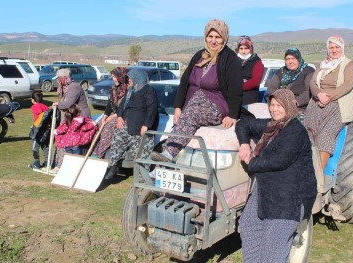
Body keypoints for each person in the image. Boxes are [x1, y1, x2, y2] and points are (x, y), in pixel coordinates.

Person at [235, 89, 317, 263]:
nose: (274, 109)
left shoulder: (296, 131)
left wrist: (251, 162)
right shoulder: (272, 126)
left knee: (271, 249)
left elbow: (279, 160)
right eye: (272, 105)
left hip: (290, 197)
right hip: (267, 189)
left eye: (279, 105)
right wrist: (244, 144)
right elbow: (243, 124)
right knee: (248, 226)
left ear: (288, 106)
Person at [150, 19, 243, 162]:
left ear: (224, 38)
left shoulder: (231, 59)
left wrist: (232, 115)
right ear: (205, 37)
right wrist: (178, 107)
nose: (213, 41)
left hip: (216, 105)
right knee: (180, 122)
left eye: (218, 37)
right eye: (210, 36)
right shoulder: (200, 55)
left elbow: (236, 89)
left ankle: (168, 154)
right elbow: (184, 81)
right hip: (191, 104)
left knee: (191, 114)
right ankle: (160, 167)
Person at [303, 35, 353, 170]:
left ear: (342, 48)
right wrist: (318, 94)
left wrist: (328, 97)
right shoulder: (322, 65)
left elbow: (347, 86)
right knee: (308, 133)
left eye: (337, 47)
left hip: (338, 105)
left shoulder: (349, 65)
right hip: (317, 103)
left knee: (325, 135)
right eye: (331, 47)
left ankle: (318, 176)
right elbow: (313, 82)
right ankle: (304, 169)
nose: (334, 50)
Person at [104, 69, 158, 180]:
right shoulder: (130, 91)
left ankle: (142, 178)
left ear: (138, 78)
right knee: (116, 143)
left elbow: (152, 109)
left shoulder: (148, 90)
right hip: (127, 126)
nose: (128, 80)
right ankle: (113, 167)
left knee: (141, 154)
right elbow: (121, 106)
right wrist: (119, 117)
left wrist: (146, 125)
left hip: (140, 129)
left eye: (130, 78)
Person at [51, 68, 92, 172]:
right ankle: (59, 164)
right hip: (68, 118)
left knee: (73, 142)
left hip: (79, 119)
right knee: (62, 138)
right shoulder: (63, 87)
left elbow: (68, 103)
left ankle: (69, 166)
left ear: (64, 78)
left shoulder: (74, 87)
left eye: (59, 79)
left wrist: (58, 103)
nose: (57, 81)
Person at [92, 67, 129, 158]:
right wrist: (105, 115)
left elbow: (125, 107)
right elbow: (110, 104)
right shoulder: (114, 88)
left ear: (121, 76)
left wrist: (113, 117)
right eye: (112, 77)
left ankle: (99, 153)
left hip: (123, 116)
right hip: (113, 114)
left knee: (108, 128)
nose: (113, 79)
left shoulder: (128, 90)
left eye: (115, 77)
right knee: (100, 125)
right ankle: (93, 151)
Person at [266, 48, 314, 113]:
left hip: (300, 108)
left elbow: (308, 92)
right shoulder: (281, 72)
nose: (290, 62)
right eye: (287, 59)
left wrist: (294, 102)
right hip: (280, 106)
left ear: (299, 59)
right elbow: (271, 88)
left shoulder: (308, 71)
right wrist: (277, 102)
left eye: (293, 58)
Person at [54, 105, 98, 171]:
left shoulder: (67, 121)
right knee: (77, 159)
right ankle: (76, 171)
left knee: (69, 158)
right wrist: (92, 124)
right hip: (76, 144)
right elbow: (84, 128)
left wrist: (56, 131)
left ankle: (69, 170)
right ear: (78, 113)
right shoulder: (79, 121)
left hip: (67, 144)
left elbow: (62, 129)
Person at [235, 35, 265, 104]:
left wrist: (238, 86)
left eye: (246, 48)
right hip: (234, 94)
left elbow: (255, 81)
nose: (243, 51)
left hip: (250, 96)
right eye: (241, 48)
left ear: (250, 49)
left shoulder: (256, 62)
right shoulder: (233, 61)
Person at [28, 91, 49, 169]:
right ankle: (47, 163)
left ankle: (36, 163)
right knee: (45, 145)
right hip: (46, 129)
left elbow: (39, 114)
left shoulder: (34, 107)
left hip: (38, 129)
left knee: (35, 146)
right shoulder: (46, 106)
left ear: (33, 100)